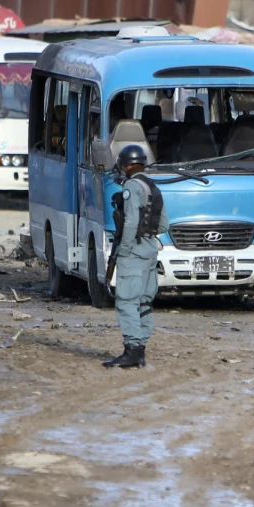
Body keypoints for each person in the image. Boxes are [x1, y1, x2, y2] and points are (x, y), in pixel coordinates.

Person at [103, 144, 169, 369]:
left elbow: (130, 222)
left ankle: (131, 351)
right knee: (144, 302)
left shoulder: (131, 185)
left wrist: (125, 250)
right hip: (150, 249)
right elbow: (164, 224)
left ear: (126, 165)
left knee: (127, 301)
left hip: (134, 251)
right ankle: (139, 351)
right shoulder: (152, 186)